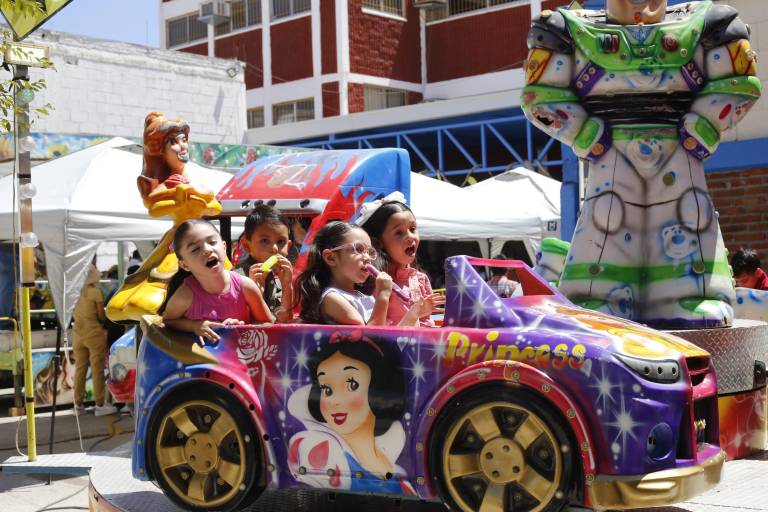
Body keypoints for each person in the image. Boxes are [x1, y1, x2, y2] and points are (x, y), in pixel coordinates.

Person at [287, 331, 414, 494]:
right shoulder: (322, 453)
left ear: (379, 386)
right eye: (326, 389)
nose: (335, 400)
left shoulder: (396, 469)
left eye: (352, 385)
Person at [162, 219, 272, 344]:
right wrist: (195, 326)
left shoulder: (246, 287)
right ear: (184, 265)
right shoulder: (185, 295)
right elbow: (168, 321)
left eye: (212, 242)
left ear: (224, 247)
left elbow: (269, 326)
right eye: (195, 249)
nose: (207, 249)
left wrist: (242, 328)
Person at [356, 192, 444, 326]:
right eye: (399, 232)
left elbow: (425, 322)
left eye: (413, 229)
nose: (410, 236)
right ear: (378, 243)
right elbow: (377, 331)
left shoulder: (421, 279)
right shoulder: (375, 283)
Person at [295, 221, 392, 325]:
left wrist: (408, 314)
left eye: (370, 252)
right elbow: (369, 334)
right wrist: (383, 295)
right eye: (358, 249)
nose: (368, 258)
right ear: (331, 258)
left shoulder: (366, 298)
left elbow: (391, 333)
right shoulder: (332, 298)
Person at [235, 204, 294, 323]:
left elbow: (285, 319)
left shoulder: (280, 277)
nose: (275, 249)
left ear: (288, 246)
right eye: (265, 241)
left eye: (281, 242)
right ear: (247, 245)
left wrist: (287, 286)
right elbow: (244, 320)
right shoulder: (237, 278)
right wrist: (255, 291)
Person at [72, 264, 117, 416]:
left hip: (77, 333)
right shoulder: (95, 292)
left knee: (80, 368)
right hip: (93, 333)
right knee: (97, 369)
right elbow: (101, 316)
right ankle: (100, 404)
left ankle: (78, 404)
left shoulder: (74, 292)